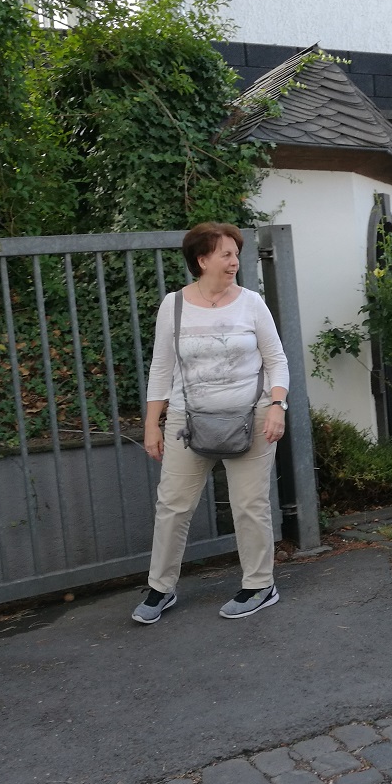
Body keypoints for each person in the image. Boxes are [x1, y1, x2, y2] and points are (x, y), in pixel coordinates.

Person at [132, 222, 291, 624]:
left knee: (250, 506)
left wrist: (277, 405)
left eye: (236, 254)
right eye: (226, 254)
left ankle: (260, 584)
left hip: (250, 417)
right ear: (202, 260)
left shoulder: (252, 303)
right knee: (172, 505)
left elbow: (277, 360)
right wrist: (152, 424)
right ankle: (160, 588)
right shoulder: (175, 305)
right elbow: (161, 368)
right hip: (188, 420)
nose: (234, 261)